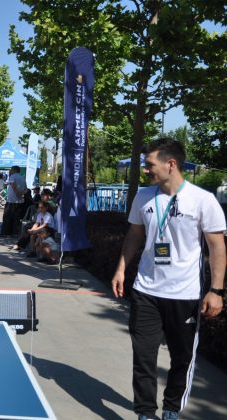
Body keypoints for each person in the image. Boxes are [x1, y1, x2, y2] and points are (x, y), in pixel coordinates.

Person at [111, 138, 225, 420]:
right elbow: (135, 235)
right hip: (145, 291)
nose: (146, 169)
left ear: (170, 164)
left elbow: (217, 247)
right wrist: (121, 268)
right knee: (144, 358)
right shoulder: (143, 197)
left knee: (181, 358)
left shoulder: (203, 200)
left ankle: (172, 408)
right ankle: (146, 413)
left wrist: (216, 290)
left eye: (150, 164)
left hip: (185, 295)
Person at [0, 166, 27, 237]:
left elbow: (13, 185)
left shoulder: (13, 176)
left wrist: (17, 194)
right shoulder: (22, 177)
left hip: (12, 201)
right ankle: (14, 233)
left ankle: (5, 233)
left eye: (11, 169)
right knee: (16, 218)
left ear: (14, 170)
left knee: (7, 217)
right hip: (19, 201)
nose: (10, 171)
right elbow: (26, 188)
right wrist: (21, 194)